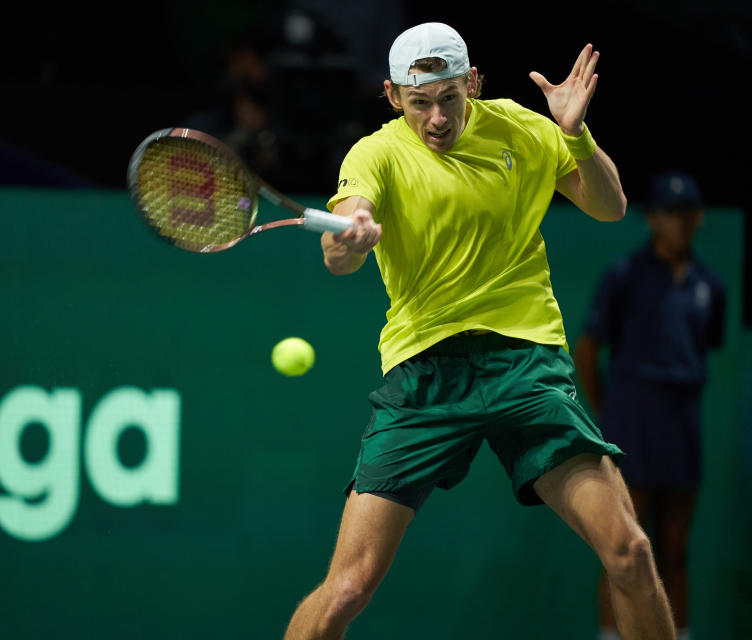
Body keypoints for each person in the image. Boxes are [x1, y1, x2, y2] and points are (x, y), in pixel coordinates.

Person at [282, 22, 676, 640]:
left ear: (471, 83)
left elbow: (609, 206)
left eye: (448, 98)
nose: (435, 118)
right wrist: (350, 238)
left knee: (630, 551)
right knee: (349, 586)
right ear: (392, 96)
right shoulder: (374, 154)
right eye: (418, 103)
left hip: (527, 365)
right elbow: (345, 242)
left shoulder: (521, 128)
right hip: (426, 373)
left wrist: (575, 136)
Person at [573, 171, 727, 640]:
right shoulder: (624, 275)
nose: (678, 223)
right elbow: (586, 350)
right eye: (669, 213)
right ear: (653, 219)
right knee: (624, 548)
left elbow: (705, 349)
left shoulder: (710, 285)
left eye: (686, 214)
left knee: (675, 550)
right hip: (630, 422)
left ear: (698, 219)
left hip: (682, 424)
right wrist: (611, 417)